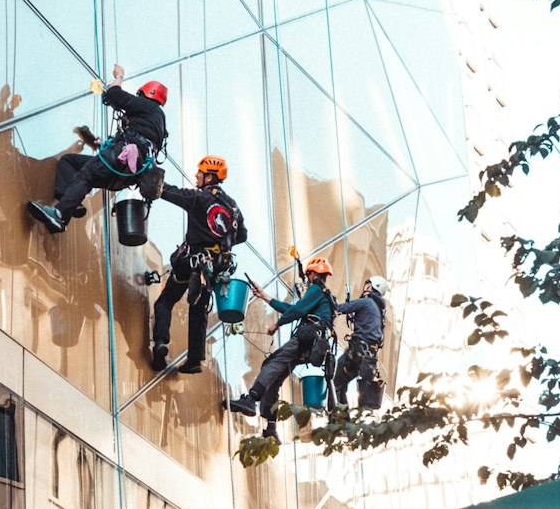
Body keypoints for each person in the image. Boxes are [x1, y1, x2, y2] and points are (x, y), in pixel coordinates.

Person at [27, 64, 168, 232]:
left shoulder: (149, 107)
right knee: (69, 162)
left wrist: (119, 76)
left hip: (120, 158)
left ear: (146, 94)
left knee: (86, 175)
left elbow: (114, 94)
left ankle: (59, 214)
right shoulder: (159, 125)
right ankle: (70, 203)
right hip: (126, 174)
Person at [150, 155, 247, 373]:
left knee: (165, 301)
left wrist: (148, 176)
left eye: (200, 172)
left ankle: (160, 343)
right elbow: (242, 235)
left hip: (193, 261)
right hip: (214, 270)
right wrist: (221, 240)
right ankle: (194, 360)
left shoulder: (199, 198)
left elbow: (169, 192)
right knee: (198, 310)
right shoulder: (233, 208)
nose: (196, 175)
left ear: (209, 176)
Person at [223, 255, 337, 434]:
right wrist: (265, 296)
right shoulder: (324, 295)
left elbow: (297, 310)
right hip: (313, 345)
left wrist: (277, 324)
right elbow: (292, 309)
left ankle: (251, 400)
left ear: (313, 274)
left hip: (307, 337)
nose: (307, 280)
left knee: (271, 364)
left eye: (308, 276)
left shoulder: (316, 289)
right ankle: (271, 427)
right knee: (276, 378)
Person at [334, 275, 387, 407]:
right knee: (343, 382)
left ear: (371, 286)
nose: (365, 288)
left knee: (337, 381)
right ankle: (342, 418)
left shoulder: (366, 302)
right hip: (367, 357)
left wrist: (328, 300)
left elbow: (339, 309)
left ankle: (337, 416)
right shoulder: (379, 311)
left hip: (358, 351)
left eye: (367, 285)